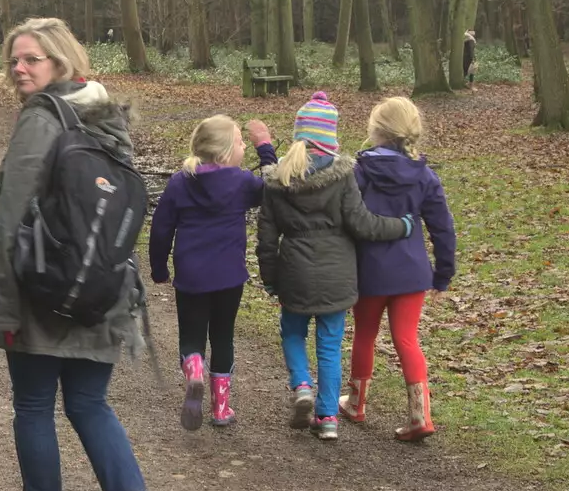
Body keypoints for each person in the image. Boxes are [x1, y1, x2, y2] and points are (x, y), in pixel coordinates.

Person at [0, 16, 163, 491]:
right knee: (89, 404)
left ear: (60, 62)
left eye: (32, 59)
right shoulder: (108, 119)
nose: (19, 68)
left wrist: (3, 308)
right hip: (104, 288)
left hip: (42, 287)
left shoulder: (42, 119)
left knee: (35, 406)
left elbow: (12, 220)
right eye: (15, 58)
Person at [257, 92, 410, 441]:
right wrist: (401, 226)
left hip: (294, 274)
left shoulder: (277, 179)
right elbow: (363, 224)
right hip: (337, 276)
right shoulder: (343, 176)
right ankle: (327, 417)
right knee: (329, 345)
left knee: (293, 333)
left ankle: (301, 385)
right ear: (331, 139)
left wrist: (270, 278)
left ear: (299, 134)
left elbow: (266, 238)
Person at [149, 115, 277, 430]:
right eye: (240, 141)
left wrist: (158, 267)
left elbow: (161, 228)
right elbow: (271, 188)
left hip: (191, 275)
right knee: (222, 336)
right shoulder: (242, 181)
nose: (244, 145)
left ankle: (194, 372)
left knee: (192, 334)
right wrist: (265, 148)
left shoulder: (181, 181)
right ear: (223, 152)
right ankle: (221, 409)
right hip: (229, 276)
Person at [347, 97, 458, 442]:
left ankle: (356, 403)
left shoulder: (359, 171)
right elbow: (443, 228)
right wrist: (443, 273)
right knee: (407, 339)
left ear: (375, 130)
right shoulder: (424, 175)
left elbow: (347, 218)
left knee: (365, 334)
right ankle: (419, 415)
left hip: (369, 270)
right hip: (412, 273)